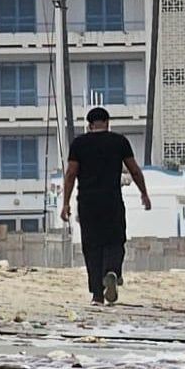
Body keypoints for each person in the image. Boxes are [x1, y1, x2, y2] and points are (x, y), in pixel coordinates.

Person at [59, 107, 150, 305]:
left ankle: (97, 295)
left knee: (92, 247)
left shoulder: (79, 144)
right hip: (112, 202)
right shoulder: (119, 142)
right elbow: (134, 170)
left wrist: (65, 203)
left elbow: (71, 174)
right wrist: (144, 193)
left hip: (88, 203)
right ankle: (112, 271)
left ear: (90, 125)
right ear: (107, 123)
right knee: (115, 241)